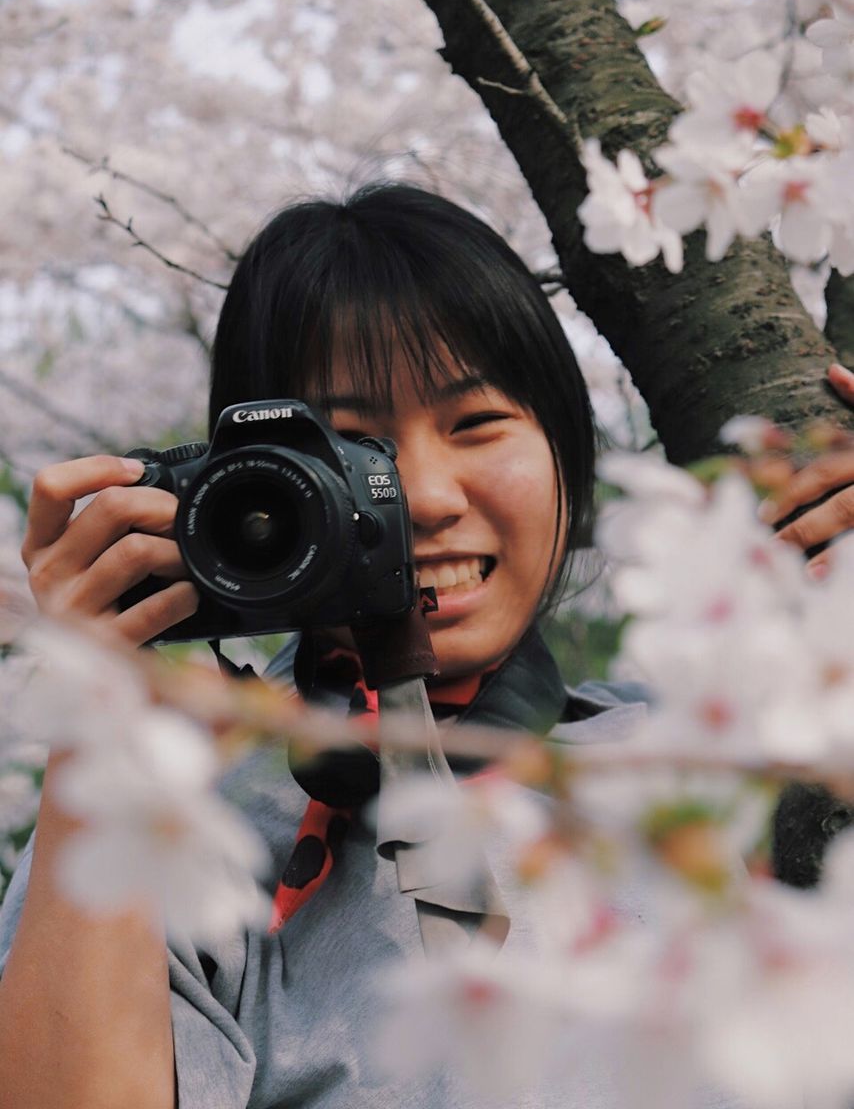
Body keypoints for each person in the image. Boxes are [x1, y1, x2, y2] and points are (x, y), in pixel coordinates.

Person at [0, 181, 851, 1109]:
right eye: (351, 448)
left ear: (566, 449)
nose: (430, 497)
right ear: (253, 500)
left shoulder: (723, 751)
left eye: (477, 423)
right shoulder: (170, 826)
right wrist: (94, 720)